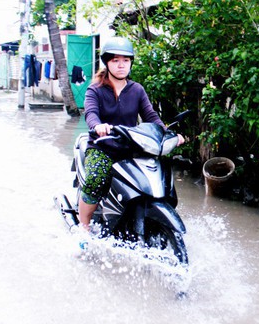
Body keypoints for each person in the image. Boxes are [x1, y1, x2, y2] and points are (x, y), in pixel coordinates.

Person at [79, 36, 185, 231]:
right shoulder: (95, 90)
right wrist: (98, 126)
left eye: (125, 60)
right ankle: (83, 227)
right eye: (115, 60)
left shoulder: (137, 90)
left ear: (131, 63)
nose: (121, 65)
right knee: (96, 177)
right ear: (107, 63)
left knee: (157, 172)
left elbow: (151, 116)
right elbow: (91, 113)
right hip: (103, 147)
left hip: (131, 147)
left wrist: (168, 134)